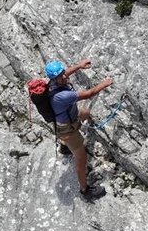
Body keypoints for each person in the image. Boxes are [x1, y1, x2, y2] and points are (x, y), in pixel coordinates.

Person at [45, 58, 114, 201]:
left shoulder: (52, 83)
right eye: (61, 76)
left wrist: (79, 66)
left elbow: (66, 73)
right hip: (68, 131)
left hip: (67, 120)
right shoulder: (62, 96)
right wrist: (104, 83)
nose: (65, 77)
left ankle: (65, 147)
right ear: (55, 79)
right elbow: (88, 94)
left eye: (63, 74)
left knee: (85, 112)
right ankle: (85, 190)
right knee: (81, 159)